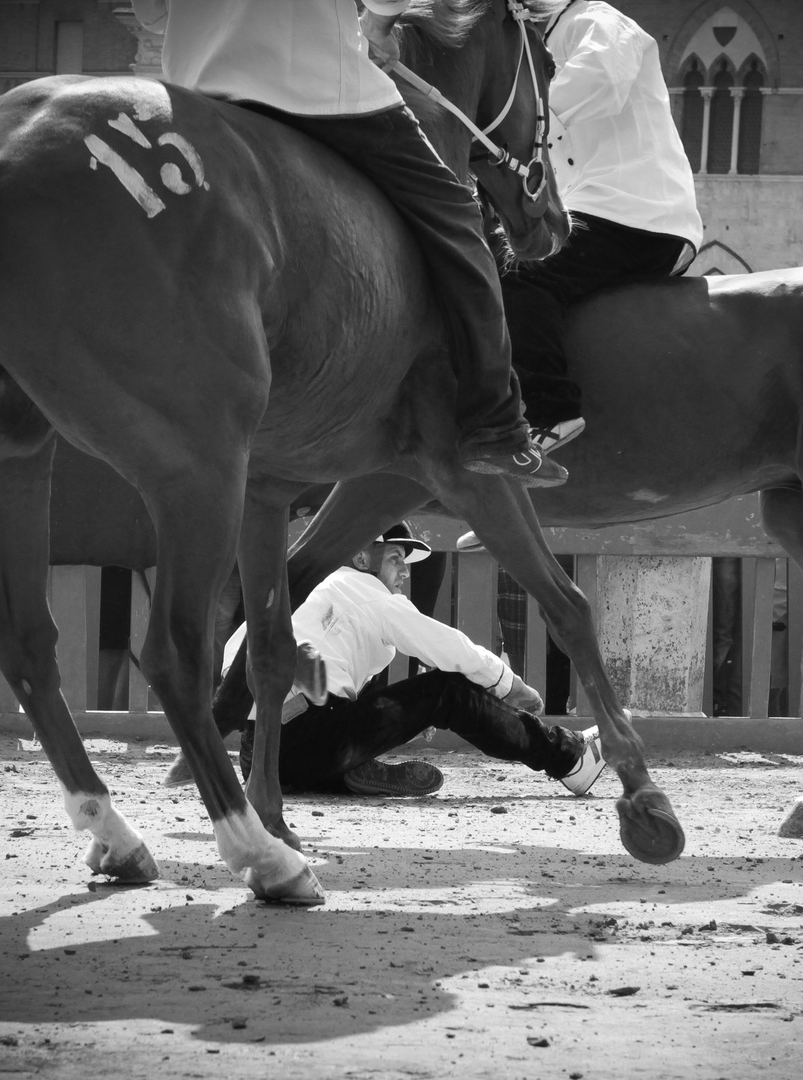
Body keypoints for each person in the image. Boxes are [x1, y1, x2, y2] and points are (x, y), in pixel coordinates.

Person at [131, 0, 565, 488]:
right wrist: (378, 25)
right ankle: (497, 426)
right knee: (458, 215)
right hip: (317, 85)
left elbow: (149, 15)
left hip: (195, 92)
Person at [220, 523, 605, 798]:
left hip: (259, 755)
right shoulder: (367, 591)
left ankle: (340, 772)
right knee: (447, 690)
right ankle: (567, 758)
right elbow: (448, 646)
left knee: (354, 715)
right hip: (311, 735)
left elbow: (231, 655)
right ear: (361, 557)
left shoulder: (309, 591)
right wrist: (508, 684)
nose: (405, 570)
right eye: (394, 558)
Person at [501, 0, 702, 454]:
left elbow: (601, 80)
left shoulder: (599, 22)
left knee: (520, 277)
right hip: (591, 210)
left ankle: (551, 413)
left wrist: (507, 119)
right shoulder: (534, 45)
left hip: (637, 214)